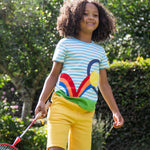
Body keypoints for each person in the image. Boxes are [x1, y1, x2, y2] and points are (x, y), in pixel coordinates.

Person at [35, 0, 124, 150]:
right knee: (55, 148)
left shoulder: (99, 52)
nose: (91, 17)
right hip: (61, 106)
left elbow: (104, 84)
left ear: (101, 20)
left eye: (95, 15)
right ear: (75, 17)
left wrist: (115, 111)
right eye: (85, 14)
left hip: (86, 112)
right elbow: (53, 75)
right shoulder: (65, 44)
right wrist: (42, 101)